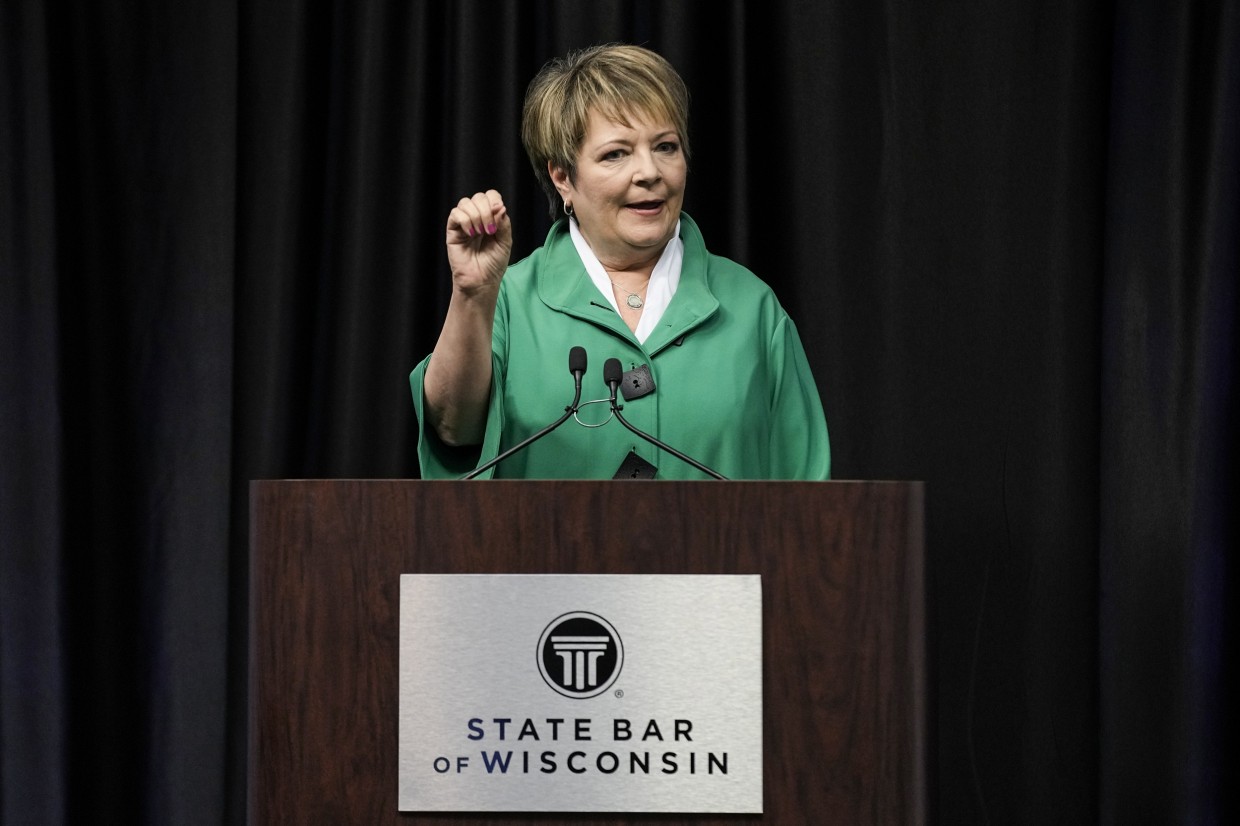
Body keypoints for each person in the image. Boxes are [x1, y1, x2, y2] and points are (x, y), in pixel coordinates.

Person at [410, 44, 830, 479]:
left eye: (666, 146)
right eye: (616, 153)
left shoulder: (752, 307)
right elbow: (451, 428)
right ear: (562, 177)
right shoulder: (508, 302)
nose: (649, 172)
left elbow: (811, 504)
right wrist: (473, 295)